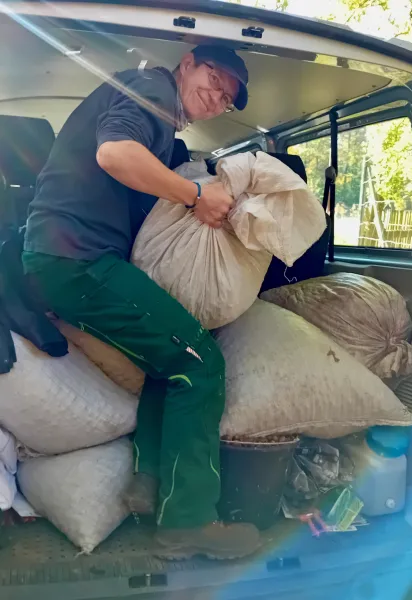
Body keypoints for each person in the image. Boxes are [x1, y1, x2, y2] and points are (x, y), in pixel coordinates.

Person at [22, 45, 261, 560]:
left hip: (64, 258)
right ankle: (189, 523)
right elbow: (115, 154)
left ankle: (150, 483)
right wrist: (195, 197)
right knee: (201, 363)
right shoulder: (151, 88)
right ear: (189, 61)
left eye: (228, 97)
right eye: (215, 78)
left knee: (169, 361)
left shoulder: (160, 118)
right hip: (78, 260)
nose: (218, 96)